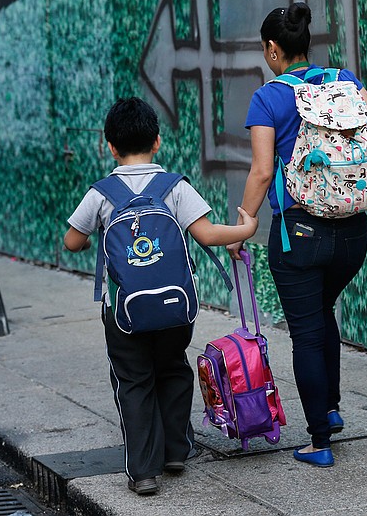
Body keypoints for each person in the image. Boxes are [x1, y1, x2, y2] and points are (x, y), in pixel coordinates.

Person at [227, 1, 367, 468]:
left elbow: (263, 173)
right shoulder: (347, 83)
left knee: (305, 332)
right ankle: (330, 407)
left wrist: (242, 226)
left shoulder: (268, 98)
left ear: (272, 49)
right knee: (323, 313)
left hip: (299, 236)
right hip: (353, 234)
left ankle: (319, 440)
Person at [63, 97, 257, 495]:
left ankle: (143, 471)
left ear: (111, 146)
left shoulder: (101, 193)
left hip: (123, 312)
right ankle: (176, 450)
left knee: (133, 380)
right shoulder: (174, 186)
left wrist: (91, 239)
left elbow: (71, 241)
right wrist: (246, 229)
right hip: (175, 307)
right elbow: (207, 234)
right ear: (157, 141)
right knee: (172, 367)